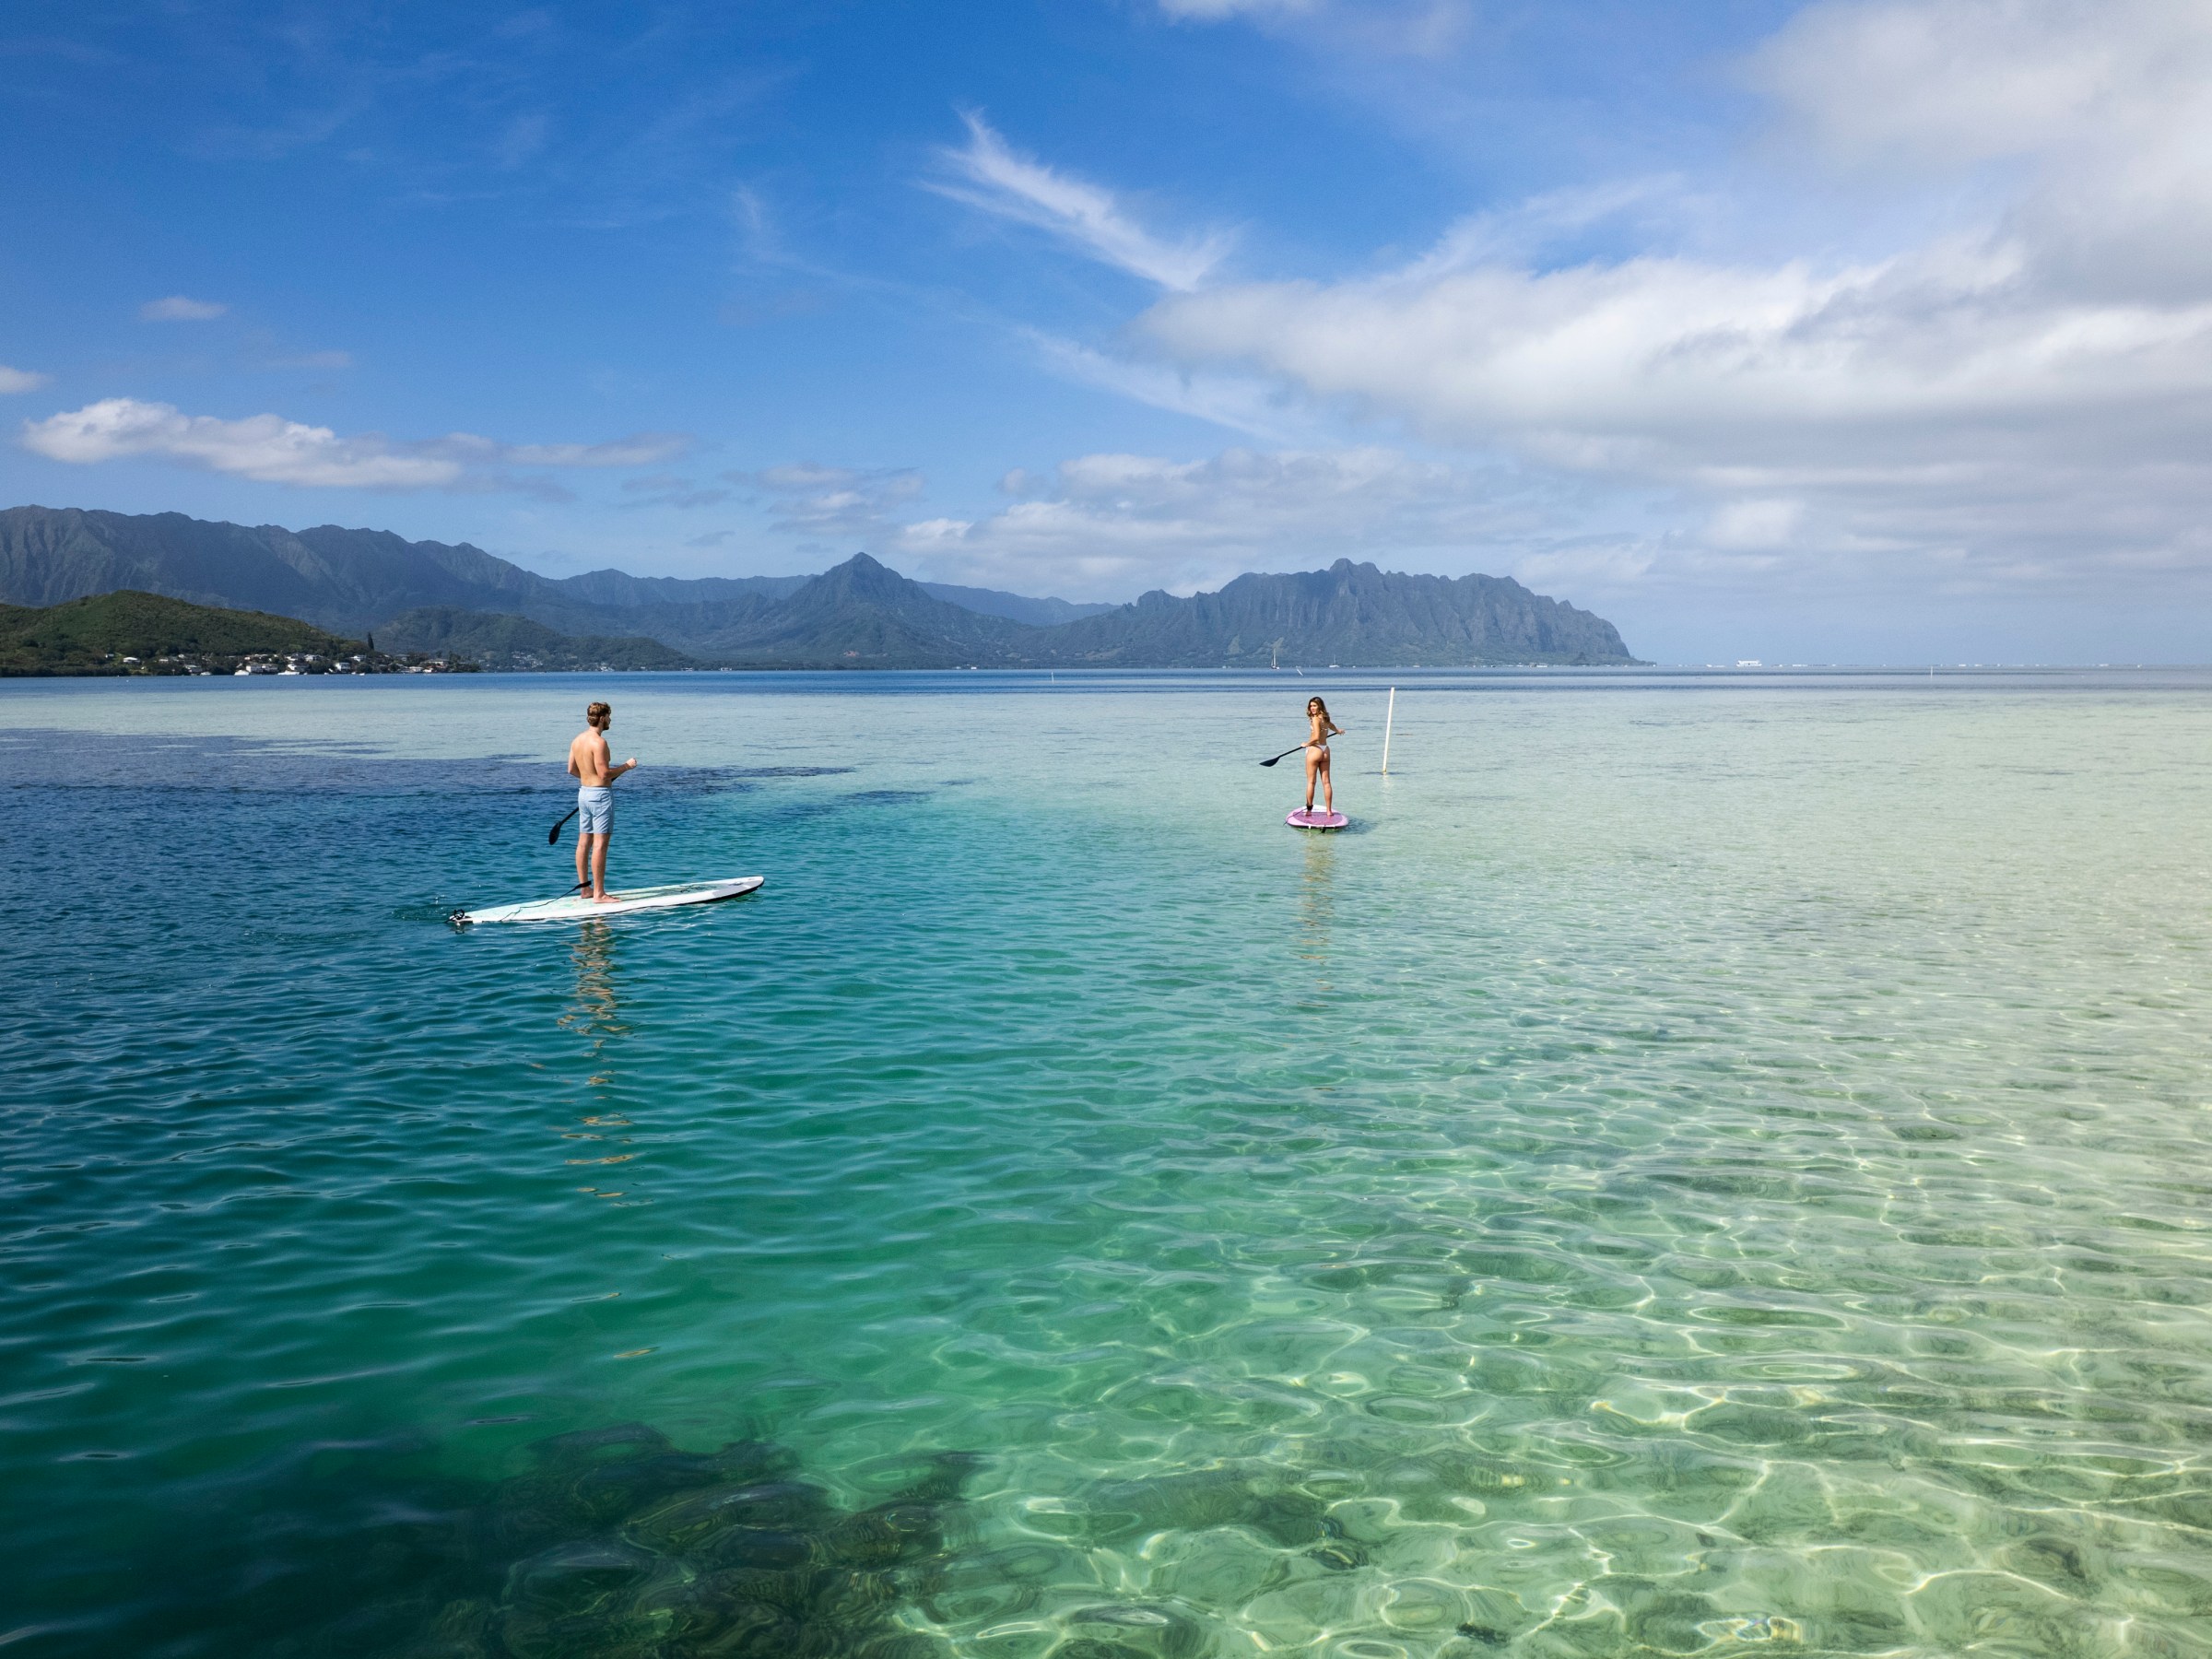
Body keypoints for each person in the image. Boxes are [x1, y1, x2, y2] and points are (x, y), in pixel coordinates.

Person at [567, 702, 638, 901]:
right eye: (609, 716)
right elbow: (605, 773)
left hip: (584, 794)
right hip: (600, 796)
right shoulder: (599, 743)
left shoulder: (577, 740)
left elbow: (571, 770)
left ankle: (585, 890)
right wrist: (626, 766)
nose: (610, 720)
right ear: (602, 718)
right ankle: (599, 894)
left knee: (584, 842)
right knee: (600, 845)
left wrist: (588, 777)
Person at [1302, 696, 1344, 815]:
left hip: (1315, 750)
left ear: (1320, 706)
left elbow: (1315, 738)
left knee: (1311, 782)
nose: (1312, 708)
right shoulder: (1325, 718)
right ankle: (1329, 811)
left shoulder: (1315, 719)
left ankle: (1309, 811)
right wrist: (1338, 731)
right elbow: (1331, 726)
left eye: (1314, 705)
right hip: (1325, 750)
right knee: (1326, 782)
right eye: (1311, 706)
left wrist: (1306, 744)